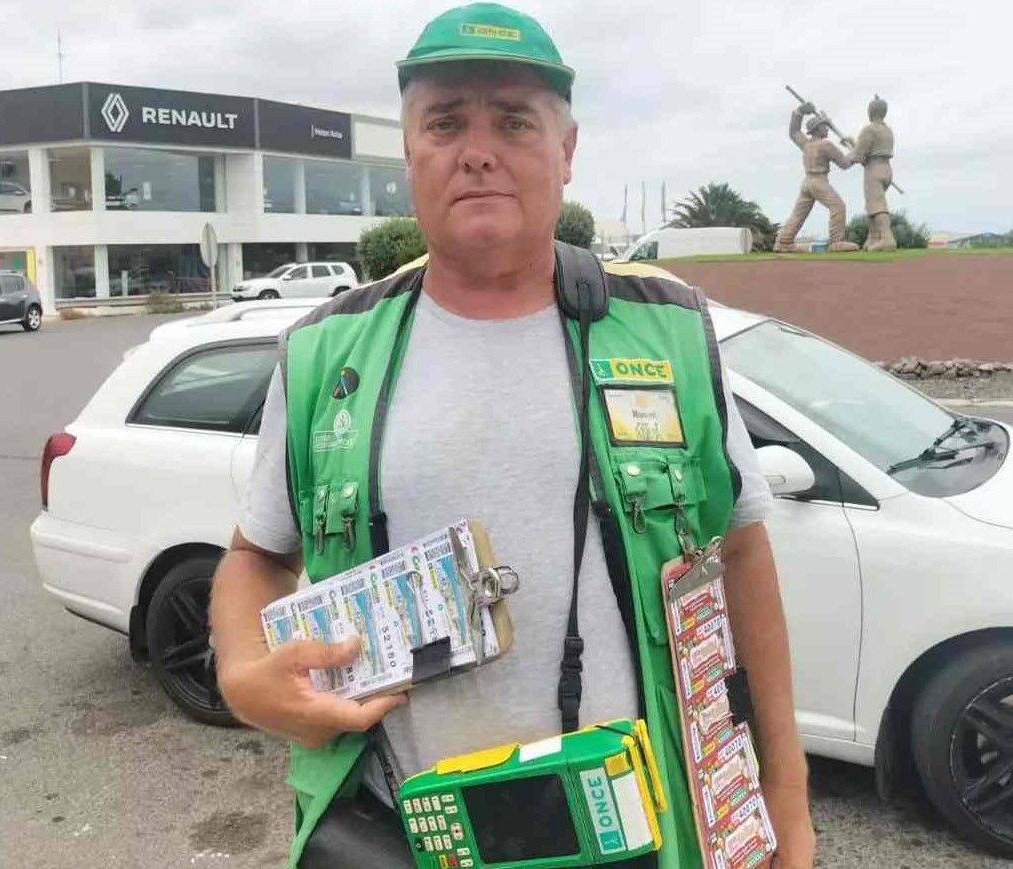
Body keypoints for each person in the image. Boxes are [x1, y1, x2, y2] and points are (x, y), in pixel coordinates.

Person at [210, 4, 815, 867]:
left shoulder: (671, 331)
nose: (477, 150)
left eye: (513, 120)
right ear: (409, 153)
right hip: (405, 837)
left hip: (642, 837)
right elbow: (255, 556)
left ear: (566, 150)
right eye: (445, 123)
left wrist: (786, 797)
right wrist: (242, 673)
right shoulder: (325, 354)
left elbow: (743, 554)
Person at [773, 102, 859, 253]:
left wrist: (799, 112)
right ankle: (837, 241)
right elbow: (845, 164)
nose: (827, 129)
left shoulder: (806, 144)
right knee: (838, 207)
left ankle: (784, 242)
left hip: (807, 183)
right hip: (819, 181)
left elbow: (794, 131)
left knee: (798, 214)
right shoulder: (826, 145)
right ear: (818, 128)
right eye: (825, 126)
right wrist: (855, 151)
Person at [846, 95, 897, 251]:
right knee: (872, 205)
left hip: (874, 169)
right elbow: (868, 151)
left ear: (871, 111)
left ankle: (887, 238)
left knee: (877, 205)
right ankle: (872, 238)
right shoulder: (887, 130)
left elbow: (860, 156)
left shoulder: (869, 129)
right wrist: (852, 143)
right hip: (886, 169)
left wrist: (849, 153)